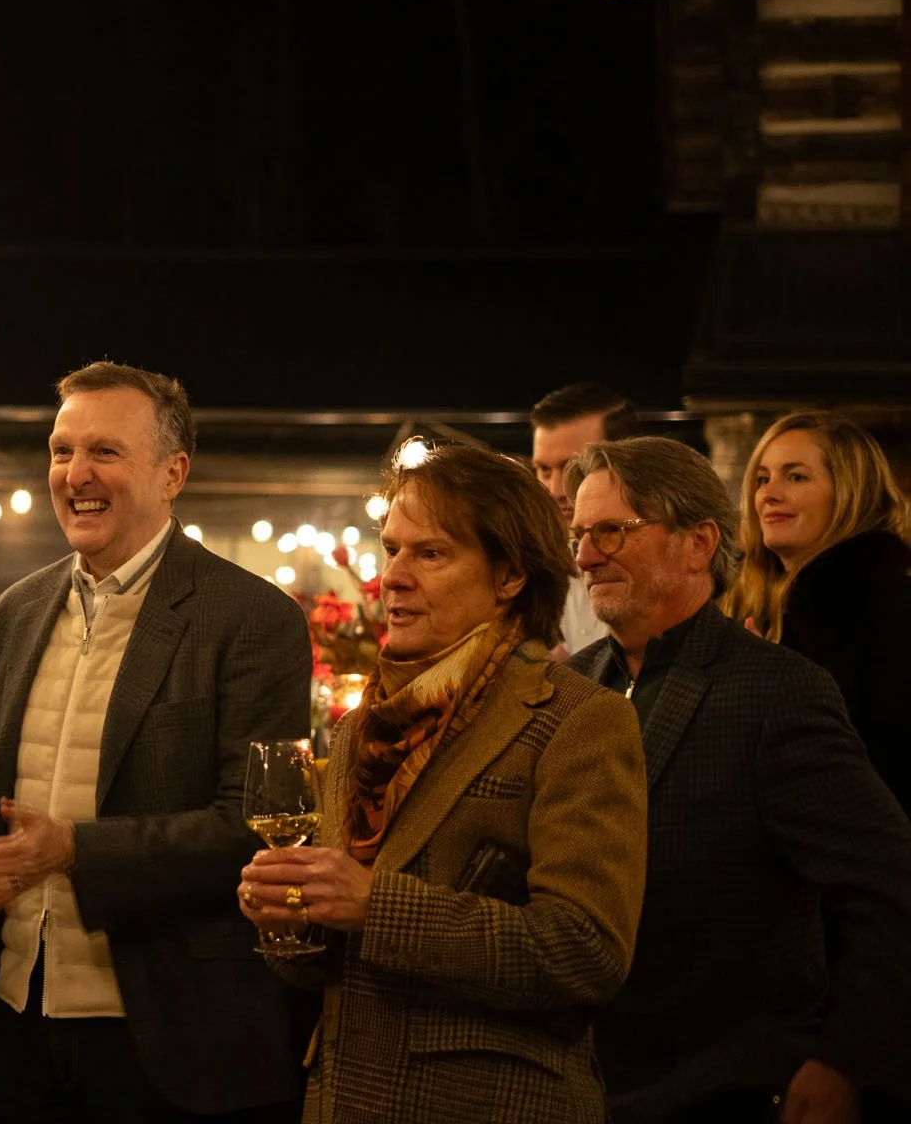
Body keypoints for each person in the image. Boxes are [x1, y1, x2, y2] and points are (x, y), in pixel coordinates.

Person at [0, 361, 315, 1122]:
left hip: (169, 1034)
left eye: (105, 451)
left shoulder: (250, 618)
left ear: (173, 474)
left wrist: (73, 849)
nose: (75, 475)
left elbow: (253, 829)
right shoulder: (15, 611)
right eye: (62, 451)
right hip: (15, 1013)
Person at [238, 442, 647, 1123]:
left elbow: (587, 950)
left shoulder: (579, 719)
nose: (392, 577)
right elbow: (336, 963)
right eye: (391, 549)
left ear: (509, 575)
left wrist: (375, 904)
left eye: (430, 553)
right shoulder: (363, 729)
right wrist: (294, 920)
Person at [567, 437, 911, 1122]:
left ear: (699, 543)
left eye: (612, 531)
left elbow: (889, 884)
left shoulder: (776, 690)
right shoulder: (570, 686)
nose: (584, 556)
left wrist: (845, 1059)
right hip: (580, 1082)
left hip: (724, 1086)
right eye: (578, 535)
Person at [724, 410, 911, 810]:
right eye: (762, 479)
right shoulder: (750, 602)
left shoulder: (882, 605)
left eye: (796, 477)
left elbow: (872, 764)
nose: (769, 494)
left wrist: (769, 685)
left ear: (849, 492)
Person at [529, 382, 637, 658]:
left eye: (573, 467)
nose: (555, 490)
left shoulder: (660, 567)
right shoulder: (527, 572)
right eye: (544, 469)